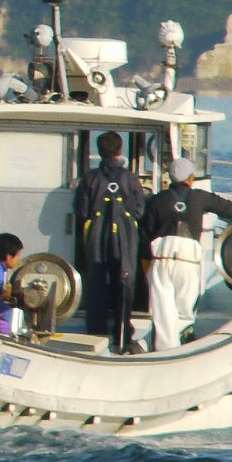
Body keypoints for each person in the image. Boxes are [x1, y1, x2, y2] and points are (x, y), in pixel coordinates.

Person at [138, 165, 232, 352]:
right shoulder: (200, 197)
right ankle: (183, 343)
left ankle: (163, 350)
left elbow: (144, 237)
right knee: (184, 309)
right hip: (187, 260)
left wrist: (147, 269)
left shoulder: (156, 200)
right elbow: (229, 208)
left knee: (162, 311)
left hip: (161, 259)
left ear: (170, 178)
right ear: (190, 178)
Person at [71, 131, 144, 352]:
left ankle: (96, 336)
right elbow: (140, 210)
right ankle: (123, 336)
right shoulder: (130, 178)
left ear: (99, 151)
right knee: (125, 283)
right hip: (124, 237)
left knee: (97, 284)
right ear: (120, 151)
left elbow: (81, 209)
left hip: (97, 236)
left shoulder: (90, 178)